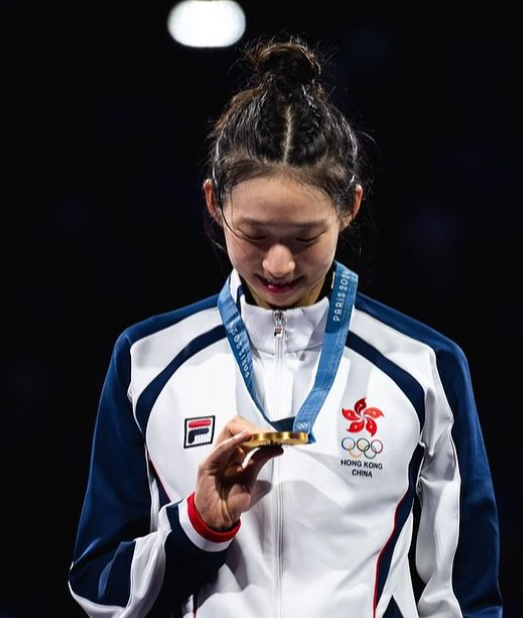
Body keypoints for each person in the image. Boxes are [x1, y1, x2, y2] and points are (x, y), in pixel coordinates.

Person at [68, 35, 503, 618]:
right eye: (253, 235)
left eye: (304, 238)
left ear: (349, 208)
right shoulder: (147, 360)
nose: (277, 264)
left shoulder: (423, 365)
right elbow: (95, 587)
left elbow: (465, 596)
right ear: (214, 204)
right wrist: (198, 526)